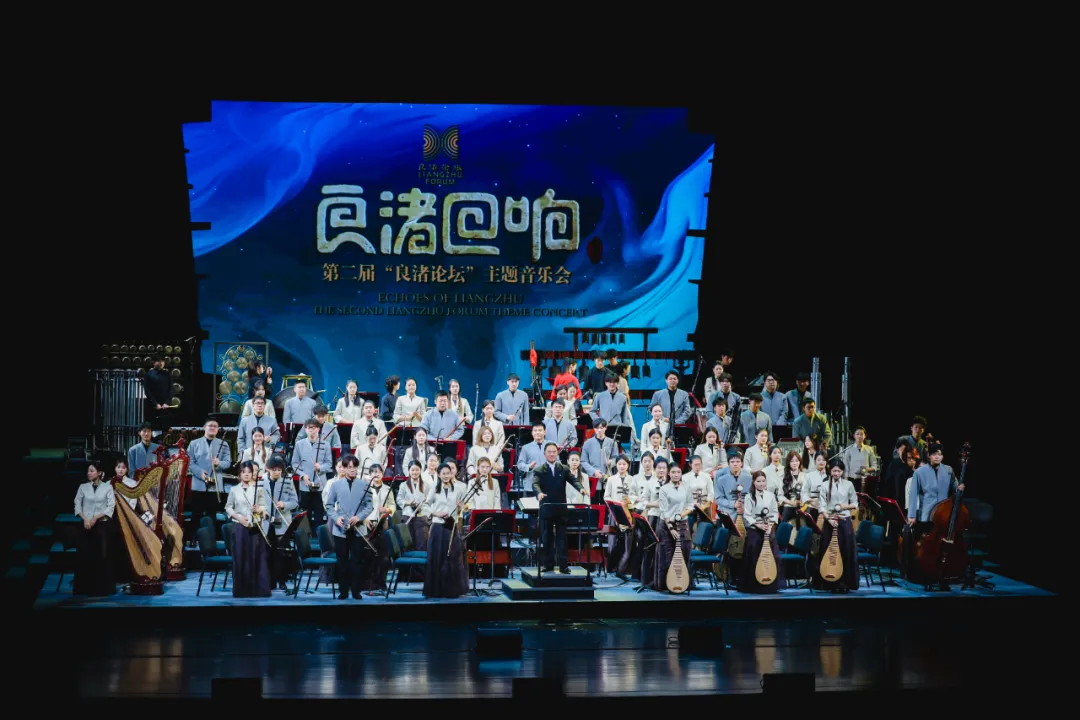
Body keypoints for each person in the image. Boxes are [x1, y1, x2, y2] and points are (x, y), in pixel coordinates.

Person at [113, 458, 184, 575]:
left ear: (127, 469)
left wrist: (128, 511)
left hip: (130, 514)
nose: (120, 470)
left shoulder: (133, 484)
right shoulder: (109, 484)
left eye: (123, 467)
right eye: (118, 467)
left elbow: (133, 502)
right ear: (115, 468)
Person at [532, 442, 587, 573]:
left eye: (554, 452)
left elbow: (574, 480)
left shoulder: (563, 468)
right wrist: (538, 493)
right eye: (549, 452)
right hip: (546, 508)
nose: (552, 454)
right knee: (547, 538)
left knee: (562, 539)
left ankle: (563, 566)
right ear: (544, 454)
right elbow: (535, 484)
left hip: (561, 508)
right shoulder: (539, 470)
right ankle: (548, 564)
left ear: (557, 453)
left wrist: (581, 489)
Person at [325, 454, 375, 600]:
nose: (352, 470)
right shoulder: (335, 485)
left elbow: (369, 506)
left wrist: (359, 517)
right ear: (344, 468)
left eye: (355, 467)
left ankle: (356, 591)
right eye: (349, 467)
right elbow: (329, 506)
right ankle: (343, 591)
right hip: (341, 529)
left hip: (358, 529)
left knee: (357, 561)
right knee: (342, 561)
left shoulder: (364, 485)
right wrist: (336, 518)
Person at [224, 461, 272, 598]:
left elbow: (264, 507)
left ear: (252, 474)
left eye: (249, 472)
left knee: (256, 558)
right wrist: (238, 517)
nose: (246, 474)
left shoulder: (258, 489)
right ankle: (241, 591)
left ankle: (258, 590)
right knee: (240, 558)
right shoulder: (234, 490)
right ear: (239, 474)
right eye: (243, 472)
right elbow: (228, 507)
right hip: (239, 527)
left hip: (255, 527)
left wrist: (259, 509)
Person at [423, 462, 469, 597]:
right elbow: (425, 506)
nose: (446, 476)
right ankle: (437, 590)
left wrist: (461, 507)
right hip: (438, 526)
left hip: (452, 526)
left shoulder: (458, 489)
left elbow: (462, 508)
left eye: (448, 473)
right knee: (437, 557)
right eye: (443, 474)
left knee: (452, 557)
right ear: (438, 475)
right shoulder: (434, 488)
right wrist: (436, 513)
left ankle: (451, 590)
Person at [813, 460, 859, 592]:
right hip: (830, 522)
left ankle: (844, 583)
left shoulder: (849, 484)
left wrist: (842, 506)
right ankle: (829, 582)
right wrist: (829, 519)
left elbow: (855, 503)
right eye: (834, 471)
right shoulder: (824, 485)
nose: (836, 473)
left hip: (844, 522)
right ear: (830, 471)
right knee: (828, 551)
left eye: (839, 471)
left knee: (845, 551)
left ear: (842, 472)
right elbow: (822, 506)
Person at [73, 461, 116, 595]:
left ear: (99, 473)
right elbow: (77, 504)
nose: (89, 473)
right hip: (86, 525)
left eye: (92, 471)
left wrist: (96, 518)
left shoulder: (107, 487)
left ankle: (102, 589)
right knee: (85, 555)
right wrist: (85, 519)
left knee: (102, 556)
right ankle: (85, 588)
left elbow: (111, 506)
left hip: (102, 525)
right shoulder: (83, 487)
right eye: (88, 471)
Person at [739, 470, 783, 594]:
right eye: (758, 481)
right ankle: (755, 586)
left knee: (772, 556)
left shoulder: (770, 495)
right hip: (755, 530)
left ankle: (770, 584)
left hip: (768, 529)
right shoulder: (749, 496)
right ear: (754, 482)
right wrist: (758, 525)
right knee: (754, 556)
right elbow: (747, 515)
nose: (761, 484)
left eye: (763, 481)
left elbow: (774, 512)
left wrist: (770, 525)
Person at [187, 417, 232, 533]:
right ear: (204, 428)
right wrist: (200, 473)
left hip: (215, 485)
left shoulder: (224, 444)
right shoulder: (194, 443)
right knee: (196, 514)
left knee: (212, 514)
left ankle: (211, 538)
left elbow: (228, 463)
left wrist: (219, 463)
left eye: (215, 426)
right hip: (198, 485)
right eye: (210, 425)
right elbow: (189, 462)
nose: (212, 428)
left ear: (218, 429)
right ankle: (194, 537)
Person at [655, 464, 695, 592]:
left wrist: (680, 515)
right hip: (666, 525)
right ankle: (666, 584)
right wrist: (671, 528)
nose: (676, 474)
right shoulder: (664, 489)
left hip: (682, 523)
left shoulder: (686, 486)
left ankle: (684, 583)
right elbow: (664, 510)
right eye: (673, 472)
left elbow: (691, 505)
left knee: (684, 551)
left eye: (678, 472)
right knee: (667, 554)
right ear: (669, 473)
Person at [290, 419, 334, 525]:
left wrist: (320, 467)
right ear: (305, 429)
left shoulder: (326, 444)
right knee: (306, 512)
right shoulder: (299, 444)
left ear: (318, 429)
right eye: (309, 428)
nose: (311, 430)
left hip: (320, 483)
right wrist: (302, 475)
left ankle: (319, 532)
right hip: (305, 484)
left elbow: (329, 464)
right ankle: (307, 533)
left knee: (319, 511)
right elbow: (294, 464)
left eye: (313, 428)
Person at [265, 455, 299, 590]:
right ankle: (270, 581)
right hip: (266, 522)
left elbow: (295, 502)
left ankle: (282, 580)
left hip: (282, 523)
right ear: (268, 469)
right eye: (274, 470)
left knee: (282, 553)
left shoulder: (288, 481)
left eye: (279, 470)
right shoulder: (261, 481)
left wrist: (285, 504)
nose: (277, 472)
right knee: (268, 553)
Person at [907, 444, 962, 524]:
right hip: (926, 515)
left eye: (939, 454)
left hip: (944, 514)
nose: (937, 457)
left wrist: (959, 488)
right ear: (929, 455)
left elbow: (955, 488)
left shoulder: (948, 470)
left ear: (942, 456)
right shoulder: (919, 472)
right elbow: (913, 495)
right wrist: (912, 515)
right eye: (934, 454)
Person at [397, 460, 430, 551]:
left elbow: (429, 502)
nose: (415, 472)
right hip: (407, 516)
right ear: (409, 471)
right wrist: (408, 502)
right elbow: (399, 499)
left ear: (420, 470)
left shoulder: (426, 485)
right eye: (412, 470)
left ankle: (420, 559)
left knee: (422, 543)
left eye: (417, 470)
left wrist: (425, 511)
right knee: (408, 543)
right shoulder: (403, 485)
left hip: (421, 516)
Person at [141, 355, 172, 421]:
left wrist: (167, 402)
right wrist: (155, 404)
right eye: (159, 361)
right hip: (153, 406)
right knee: (152, 423)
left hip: (165, 406)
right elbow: (147, 391)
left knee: (165, 424)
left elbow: (171, 389)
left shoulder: (167, 374)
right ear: (153, 363)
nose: (161, 363)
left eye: (163, 361)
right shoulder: (148, 374)